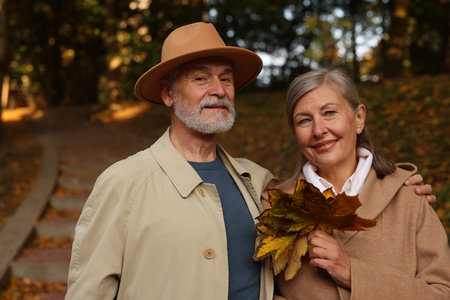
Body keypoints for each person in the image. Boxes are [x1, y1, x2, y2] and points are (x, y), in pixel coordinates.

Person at [65, 23, 434, 300]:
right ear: (167, 93)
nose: (218, 89)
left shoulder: (259, 184)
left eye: (226, 78)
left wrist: (398, 190)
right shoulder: (124, 183)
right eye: (201, 78)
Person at [270, 69, 450, 299]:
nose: (318, 130)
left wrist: (352, 273)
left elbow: (442, 293)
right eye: (304, 120)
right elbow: (256, 291)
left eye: (330, 113)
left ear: (359, 118)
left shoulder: (408, 197)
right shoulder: (274, 205)